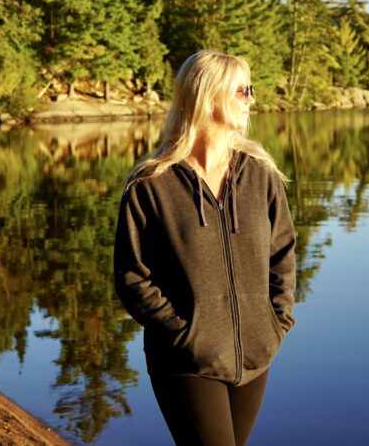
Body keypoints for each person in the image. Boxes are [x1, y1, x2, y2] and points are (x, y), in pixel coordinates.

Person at [114, 50, 297, 446]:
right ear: (208, 96)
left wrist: (275, 322)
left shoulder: (261, 175)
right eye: (242, 90)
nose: (251, 99)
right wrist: (185, 333)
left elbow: (282, 255)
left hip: (254, 355)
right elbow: (132, 276)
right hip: (184, 360)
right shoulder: (150, 183)